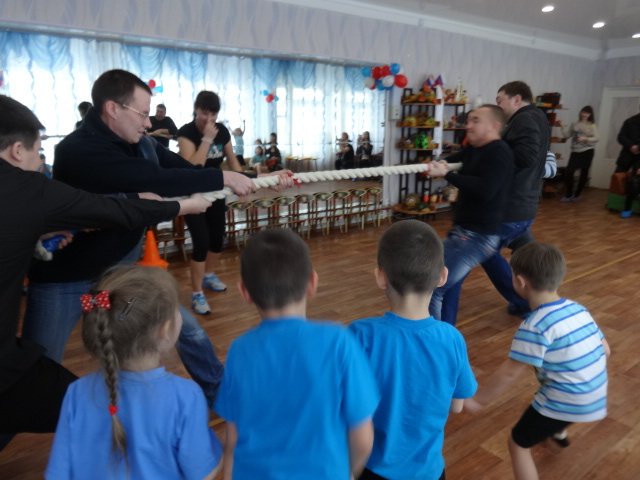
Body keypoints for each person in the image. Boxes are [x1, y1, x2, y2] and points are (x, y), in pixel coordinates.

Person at [23, 69, 256, 410]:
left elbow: (182, 170)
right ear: (112, 109)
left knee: (186, 328)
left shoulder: (141, 144)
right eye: (143, 114)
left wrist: (245, 176)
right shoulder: (78, 150)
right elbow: (155, 179)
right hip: (68, 281)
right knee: (33, 369)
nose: (149, 123)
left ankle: (219, 394)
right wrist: (222, 180)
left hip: (120, 273)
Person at [0, 94, 210, 436]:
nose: (40, 163)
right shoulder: (69, 154)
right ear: (16, 151)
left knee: (180, 326)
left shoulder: (142, 146)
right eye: (37, 152)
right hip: (62, 287)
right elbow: (106, 209)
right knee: (82, 406)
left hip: (108, 280)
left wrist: (37, 233)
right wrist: (182, 207)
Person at [214, 229, 379, 479]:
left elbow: (232, 437)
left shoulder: (239, 350)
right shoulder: (339, 342)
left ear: (244, 292)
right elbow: (363, 437)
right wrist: (349, 472)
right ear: (312, 283)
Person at [46, 266, 222, 479]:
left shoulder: (76, 392)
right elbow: (202, 473)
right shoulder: (186, 396)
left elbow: (58, 473)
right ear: (165, 330)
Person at [465, 242, 609, 480]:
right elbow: (606, 350)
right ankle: (557, 433)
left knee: (518, 444)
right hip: (596, 394)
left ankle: (555, 429)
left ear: (520, 282)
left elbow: (510, 372)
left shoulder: (535, 325)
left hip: (565, 400)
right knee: (559, 408)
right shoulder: (578, 309)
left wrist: (478, 401)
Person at [349, 220, 477, 480]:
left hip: (373, 470)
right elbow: (457, 407)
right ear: (442, 276)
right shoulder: (452, 339)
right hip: (430, 472)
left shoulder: (360, 335)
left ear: (380, 277)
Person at [427, 105, 514, 324]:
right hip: (462, 232)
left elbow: (486, 189)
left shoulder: (500, 152)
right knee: (446, 285)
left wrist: (447, 174)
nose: (468, 125)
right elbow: (457, 158)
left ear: (494, 126)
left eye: (476, 120)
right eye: (469, 120)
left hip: (479, 237)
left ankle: (436, 340)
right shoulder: (475, 149)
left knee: (435, 287)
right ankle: (445, 334)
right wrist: (440, 163)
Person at [177, 91, 247, 315]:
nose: (209, 118)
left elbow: (233, 162)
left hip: (216, 192)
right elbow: (192, 168)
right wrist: (207, 139)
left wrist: (243, 183)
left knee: (217, 239)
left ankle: (208, 275)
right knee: (201, 242)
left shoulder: (222, 131)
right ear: (196, 110)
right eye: (204, 113)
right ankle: (197, 293)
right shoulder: (186, 133)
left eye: (213, 114)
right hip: (192, 195)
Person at [560, 106, 599, 202]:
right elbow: (567, 135)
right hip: (575, 151)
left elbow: (597, 138)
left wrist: (586, 138)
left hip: (588, 151)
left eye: (587, 113)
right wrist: (562, 126)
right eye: (583, 112)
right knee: (569, 172)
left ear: (590, 115)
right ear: (581, 112)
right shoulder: (574, 124)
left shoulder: (592, 125)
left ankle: (577, 195)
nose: (585, 114)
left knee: (584, 173)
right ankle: (569, 194)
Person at [614, 108, 640, 218]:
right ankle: (614, 204)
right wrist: (631, 146)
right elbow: (620, 137)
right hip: (626, 155)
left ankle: (628, 207)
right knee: (617, 178)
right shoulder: (629, 121)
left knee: (635, 182)